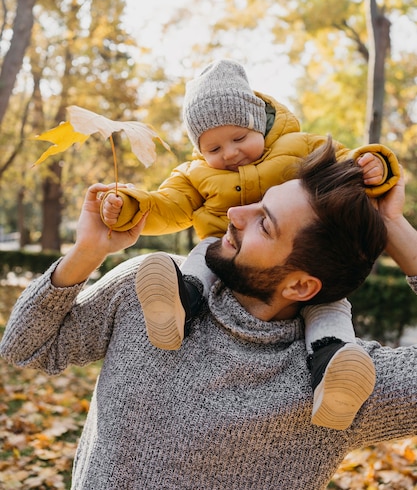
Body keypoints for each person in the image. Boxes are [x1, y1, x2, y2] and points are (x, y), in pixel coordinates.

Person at [1, 140, 416, 490]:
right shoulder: (151, 288)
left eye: (264, 225)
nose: (235, 214)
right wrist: (87, 252)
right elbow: (24, 349)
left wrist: (392, 223)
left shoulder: (343, 385)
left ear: (300, 287)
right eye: (258, 203)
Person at [100, 58, 400, 429]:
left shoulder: (297, 145)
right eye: (212, 148)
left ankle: (334, 367)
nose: (228, 154)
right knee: (201, 255)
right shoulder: (195, 173)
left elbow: (344, 166)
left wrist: (374, 166)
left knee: (330, 304)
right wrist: (131, 205)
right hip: (220, 246)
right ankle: (180, 300)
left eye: (239, 138)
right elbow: (168, 205)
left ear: (258, 122)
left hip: (308, 258)